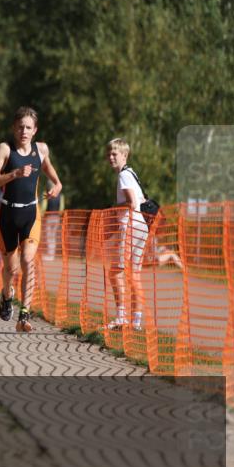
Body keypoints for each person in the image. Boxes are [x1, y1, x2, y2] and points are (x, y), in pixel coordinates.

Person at [0, 106, 63, 332]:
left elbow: (50, 172)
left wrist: (57, 185)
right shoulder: (5, 150)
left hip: (31, 213)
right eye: (20, 127)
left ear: (35, 130)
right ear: (13, 128)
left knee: (28, 260)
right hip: (8, 214)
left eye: (28, 127)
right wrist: (14, 174)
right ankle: (6, 294)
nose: (24, 131)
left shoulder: (41, 150)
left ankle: (24, 315)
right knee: (11, 268)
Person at [105, 138, 149, 331]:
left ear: (125, 155)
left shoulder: (124, 175)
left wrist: (115, 207)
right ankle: (136, 321)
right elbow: (142, 199)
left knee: (116, 271)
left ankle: (122, 317)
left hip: (130, 226)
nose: (111, 157)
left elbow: (132, 203)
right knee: (135, 274)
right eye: (109, 154)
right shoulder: (132, 173)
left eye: (115, 154)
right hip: (142, 226)